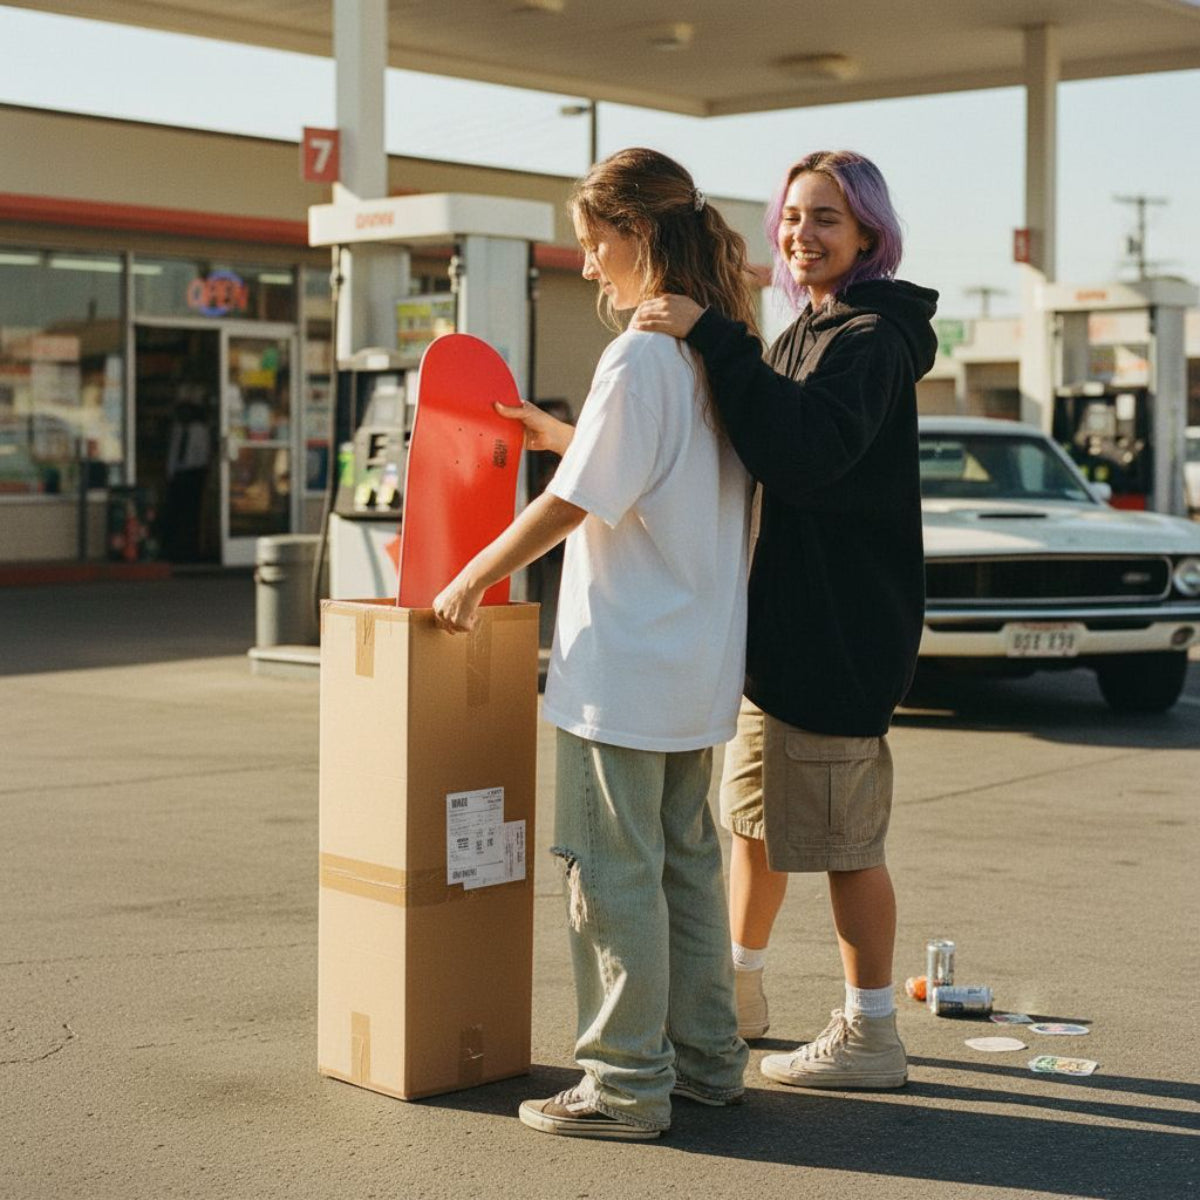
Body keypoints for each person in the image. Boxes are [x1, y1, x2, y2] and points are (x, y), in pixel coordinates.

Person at [432, 147, 757, 1138]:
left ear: (638, 235)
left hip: (620, 672)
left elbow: (578, 500)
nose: (585, 265)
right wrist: (553, 430)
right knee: (684, 868)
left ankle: (621, 1085)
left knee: (609, 878)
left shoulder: (639, 357)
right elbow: (649, 473)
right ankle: (704, 1062)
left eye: (591, 242)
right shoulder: (716, 349)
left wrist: (472, 573)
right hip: (695, 671)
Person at [633, 149, 938, 1090]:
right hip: (780, 637)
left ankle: (872, 1034)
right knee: (755, 825)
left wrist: (717, 338)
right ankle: (742, 992)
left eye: (828, 221)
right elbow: (743, 441)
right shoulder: (805, 330)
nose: (803, 235)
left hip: (841, 637)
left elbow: (804, 454)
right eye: (795, 217)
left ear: (869, 238)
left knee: (846, 845)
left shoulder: (868, 340)